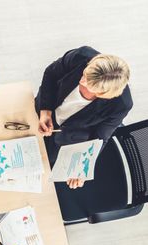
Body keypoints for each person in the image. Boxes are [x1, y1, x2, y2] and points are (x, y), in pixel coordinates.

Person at [35, 46, 132, 189]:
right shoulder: (82, 56)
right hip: (42, 110)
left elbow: (99, 137)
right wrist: (45, 111)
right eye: (85, 75)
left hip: (64, 140)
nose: (81, 81)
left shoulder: (120, 105)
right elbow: (51, 73)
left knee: (39, 169)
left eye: (89, 84)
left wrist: (82, 168)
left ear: (103, 94)